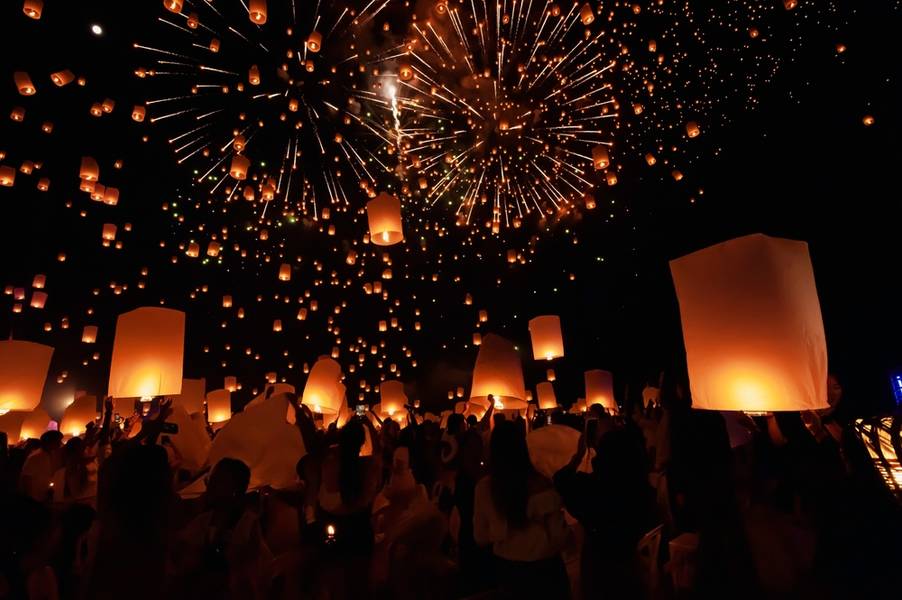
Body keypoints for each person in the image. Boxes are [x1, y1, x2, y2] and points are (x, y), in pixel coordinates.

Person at [554, 427, 656, 599]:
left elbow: (561, 480)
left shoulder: (592, 489)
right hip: (629, 564)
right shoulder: (642, 491)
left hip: (597, 565)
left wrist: (577, 458)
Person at [473, 420, 569, 599]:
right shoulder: (541, 483)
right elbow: (558, 536)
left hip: (509, 570)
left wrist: (502, 529)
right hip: (546, 568)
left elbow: (480, 536)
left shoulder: (485, 488)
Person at [19, 431, 63, 502]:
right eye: (57, 441)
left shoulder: (52, 454)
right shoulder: (35, 457)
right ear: (49, 442)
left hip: (45, 496)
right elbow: (26, 478)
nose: (60, 444)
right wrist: (30, 498)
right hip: (35, 498)